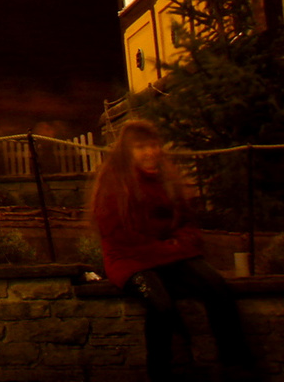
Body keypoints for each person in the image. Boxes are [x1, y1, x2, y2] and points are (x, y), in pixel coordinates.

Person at [91, 120, 258, 381]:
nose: (150, 152)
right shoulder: (114, 183)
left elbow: (187, 223)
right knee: (161, 306)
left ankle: (235, 364)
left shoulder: (166, 180)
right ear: (127, 152)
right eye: (141, 147)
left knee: (216, 286)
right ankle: (161, 373)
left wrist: (180, 243)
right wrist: (170, 250)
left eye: (153, 145)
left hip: (170, 255)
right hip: (131, 260)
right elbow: (121, 237)